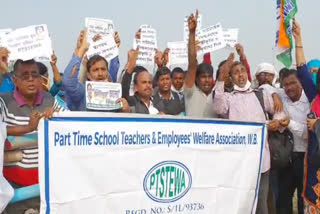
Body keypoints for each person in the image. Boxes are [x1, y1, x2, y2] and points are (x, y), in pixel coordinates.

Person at [213, 53, 285, 214]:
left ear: (248, 74)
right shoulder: (228, 98)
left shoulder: (260, 94)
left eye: (243, 70)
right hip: (238, 161)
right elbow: (218, 108)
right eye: (236, 72)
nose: (240, 74)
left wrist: (278, 122)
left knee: (261, 203)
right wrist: (220, 79)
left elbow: (278, 113)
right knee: (240, 202)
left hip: (261, 160)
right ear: (231, 78)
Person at [1, 58, 65, 213]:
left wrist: (57, 118)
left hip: (45, 185)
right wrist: (28, 127)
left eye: (34, 75)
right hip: (13, 187)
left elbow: (70, 124)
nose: (30, 79)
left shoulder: (50, 99)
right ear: (15, 80)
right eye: (25, 75)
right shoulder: (4, 101)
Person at [291, 19, 320, 214]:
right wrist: (298, 38)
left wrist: (317, 123)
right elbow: (301, 69)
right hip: (315, 166)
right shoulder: (315, 97)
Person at [63, 29, 129, 112]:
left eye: (103, 69)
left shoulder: (114, 94)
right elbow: (68, 81)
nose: (100, 73)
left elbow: (114, 68)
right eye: (95, 70)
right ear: (88, 75)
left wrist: (127, 111)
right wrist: (81, 50)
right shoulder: (82, 92)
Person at [273, 68, 309, 214]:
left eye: (293, 83)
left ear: (301, 82)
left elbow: (308, 133)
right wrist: (275, 94)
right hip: (287, 158)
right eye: (285, 84)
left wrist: (289, 124)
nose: (289, 88)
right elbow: (266, 88)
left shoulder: (309, 101)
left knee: (303, 198)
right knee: (283, 199)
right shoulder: (282, 95)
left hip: (305, 158)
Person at [184, 10, 215, 118]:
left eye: (209, 77)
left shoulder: (218, 96)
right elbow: (192, 65)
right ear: (196, 79)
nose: (207, 80)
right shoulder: (190, 93)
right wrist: (192, 33)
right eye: (203, 77)